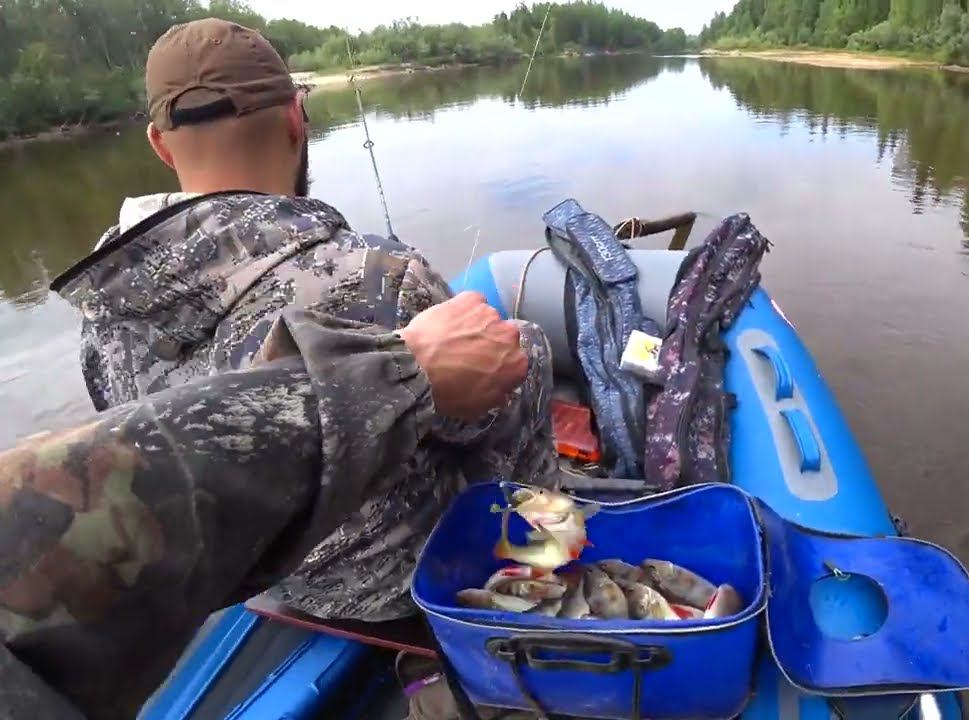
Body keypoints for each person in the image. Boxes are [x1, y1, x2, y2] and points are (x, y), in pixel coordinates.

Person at [50, 18, 558, 624]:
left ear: (160, 145)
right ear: (296, 118)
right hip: (405, 580)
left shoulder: (103, 311)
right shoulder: (376, 273)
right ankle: (550, 556)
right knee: (520, 344)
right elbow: (482, 415)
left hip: (276, 584)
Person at [0, 308, 516, 720]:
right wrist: (398, 376)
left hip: (295, 593)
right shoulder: (374, 267)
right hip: (409, 598)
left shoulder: (102, 322)